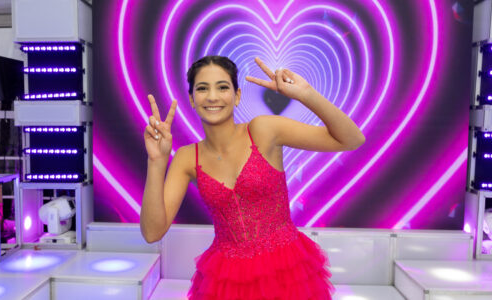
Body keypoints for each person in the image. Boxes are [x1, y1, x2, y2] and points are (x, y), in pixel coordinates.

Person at [141, 55, 365, 299]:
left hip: (287, 272)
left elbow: (351, 139)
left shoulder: (263, 130)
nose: (213, 96)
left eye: (222, 87)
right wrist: (156, 162)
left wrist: (306, 94)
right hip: (226, 280)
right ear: (192, 100)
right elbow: (152, 233)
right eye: (202, 88)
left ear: (237, 96)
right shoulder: (187, 157)